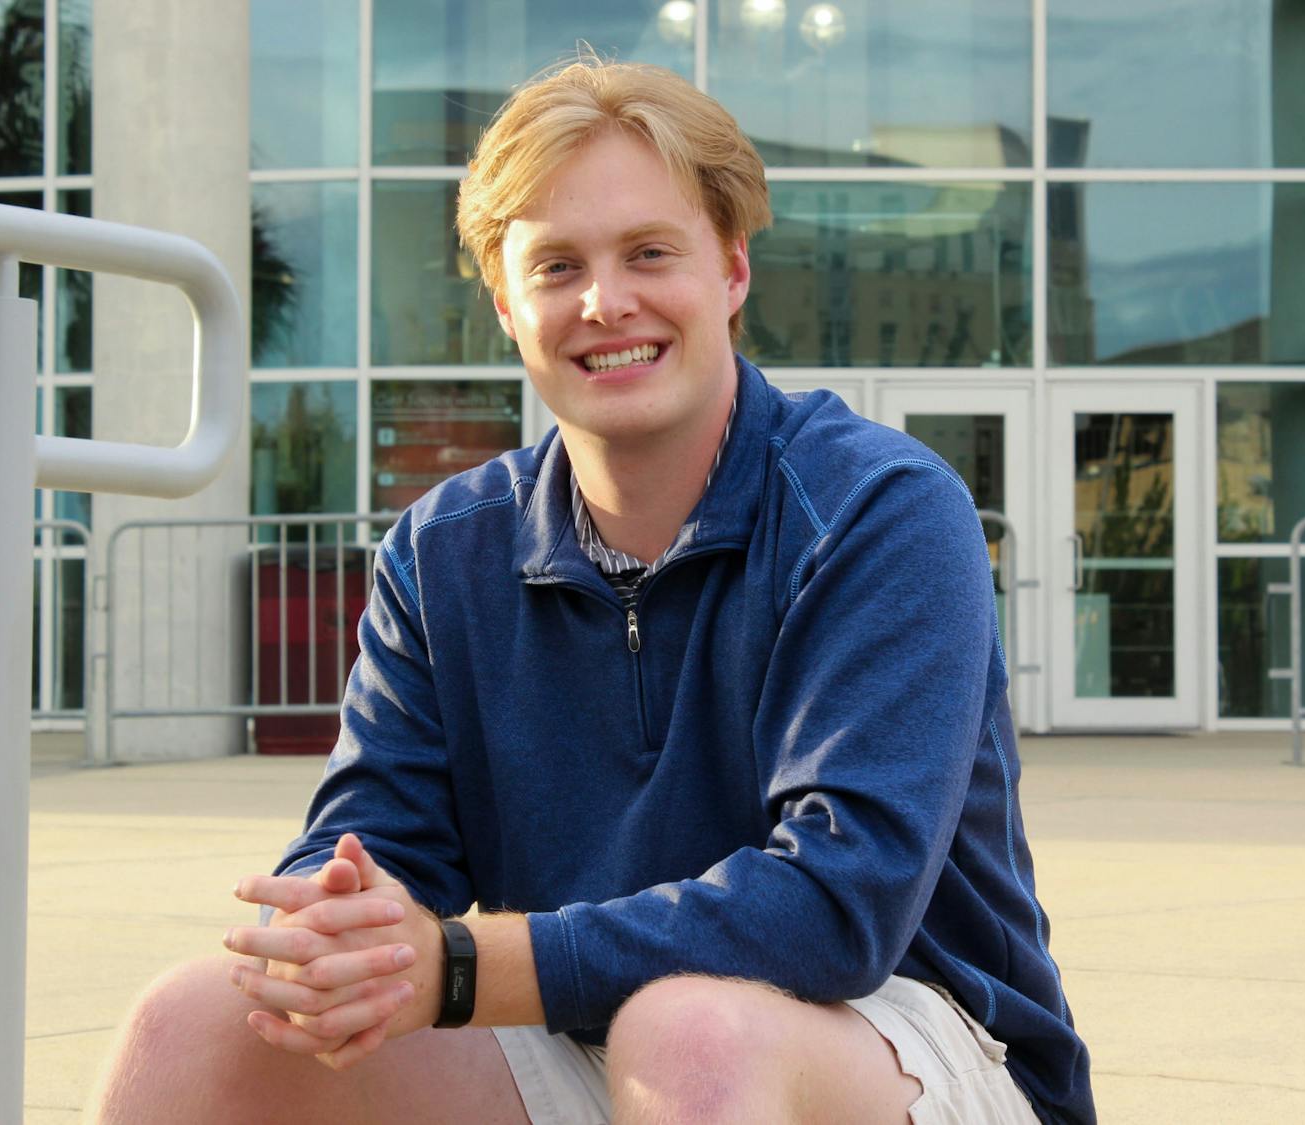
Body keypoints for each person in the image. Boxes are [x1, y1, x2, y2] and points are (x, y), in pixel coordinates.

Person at [90, 57, 1094, 1124]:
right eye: (557, 266)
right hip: (585, 1034)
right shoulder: (445, 551)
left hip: (907, 1038)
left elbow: (837, 910)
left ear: (733, 271)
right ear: (508, 308)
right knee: (195, 1025)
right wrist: (342, 922)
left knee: (690, 1032)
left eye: (649, 252)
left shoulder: (877, 509)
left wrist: (463, 966)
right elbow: (379, 842)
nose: (605, 302)